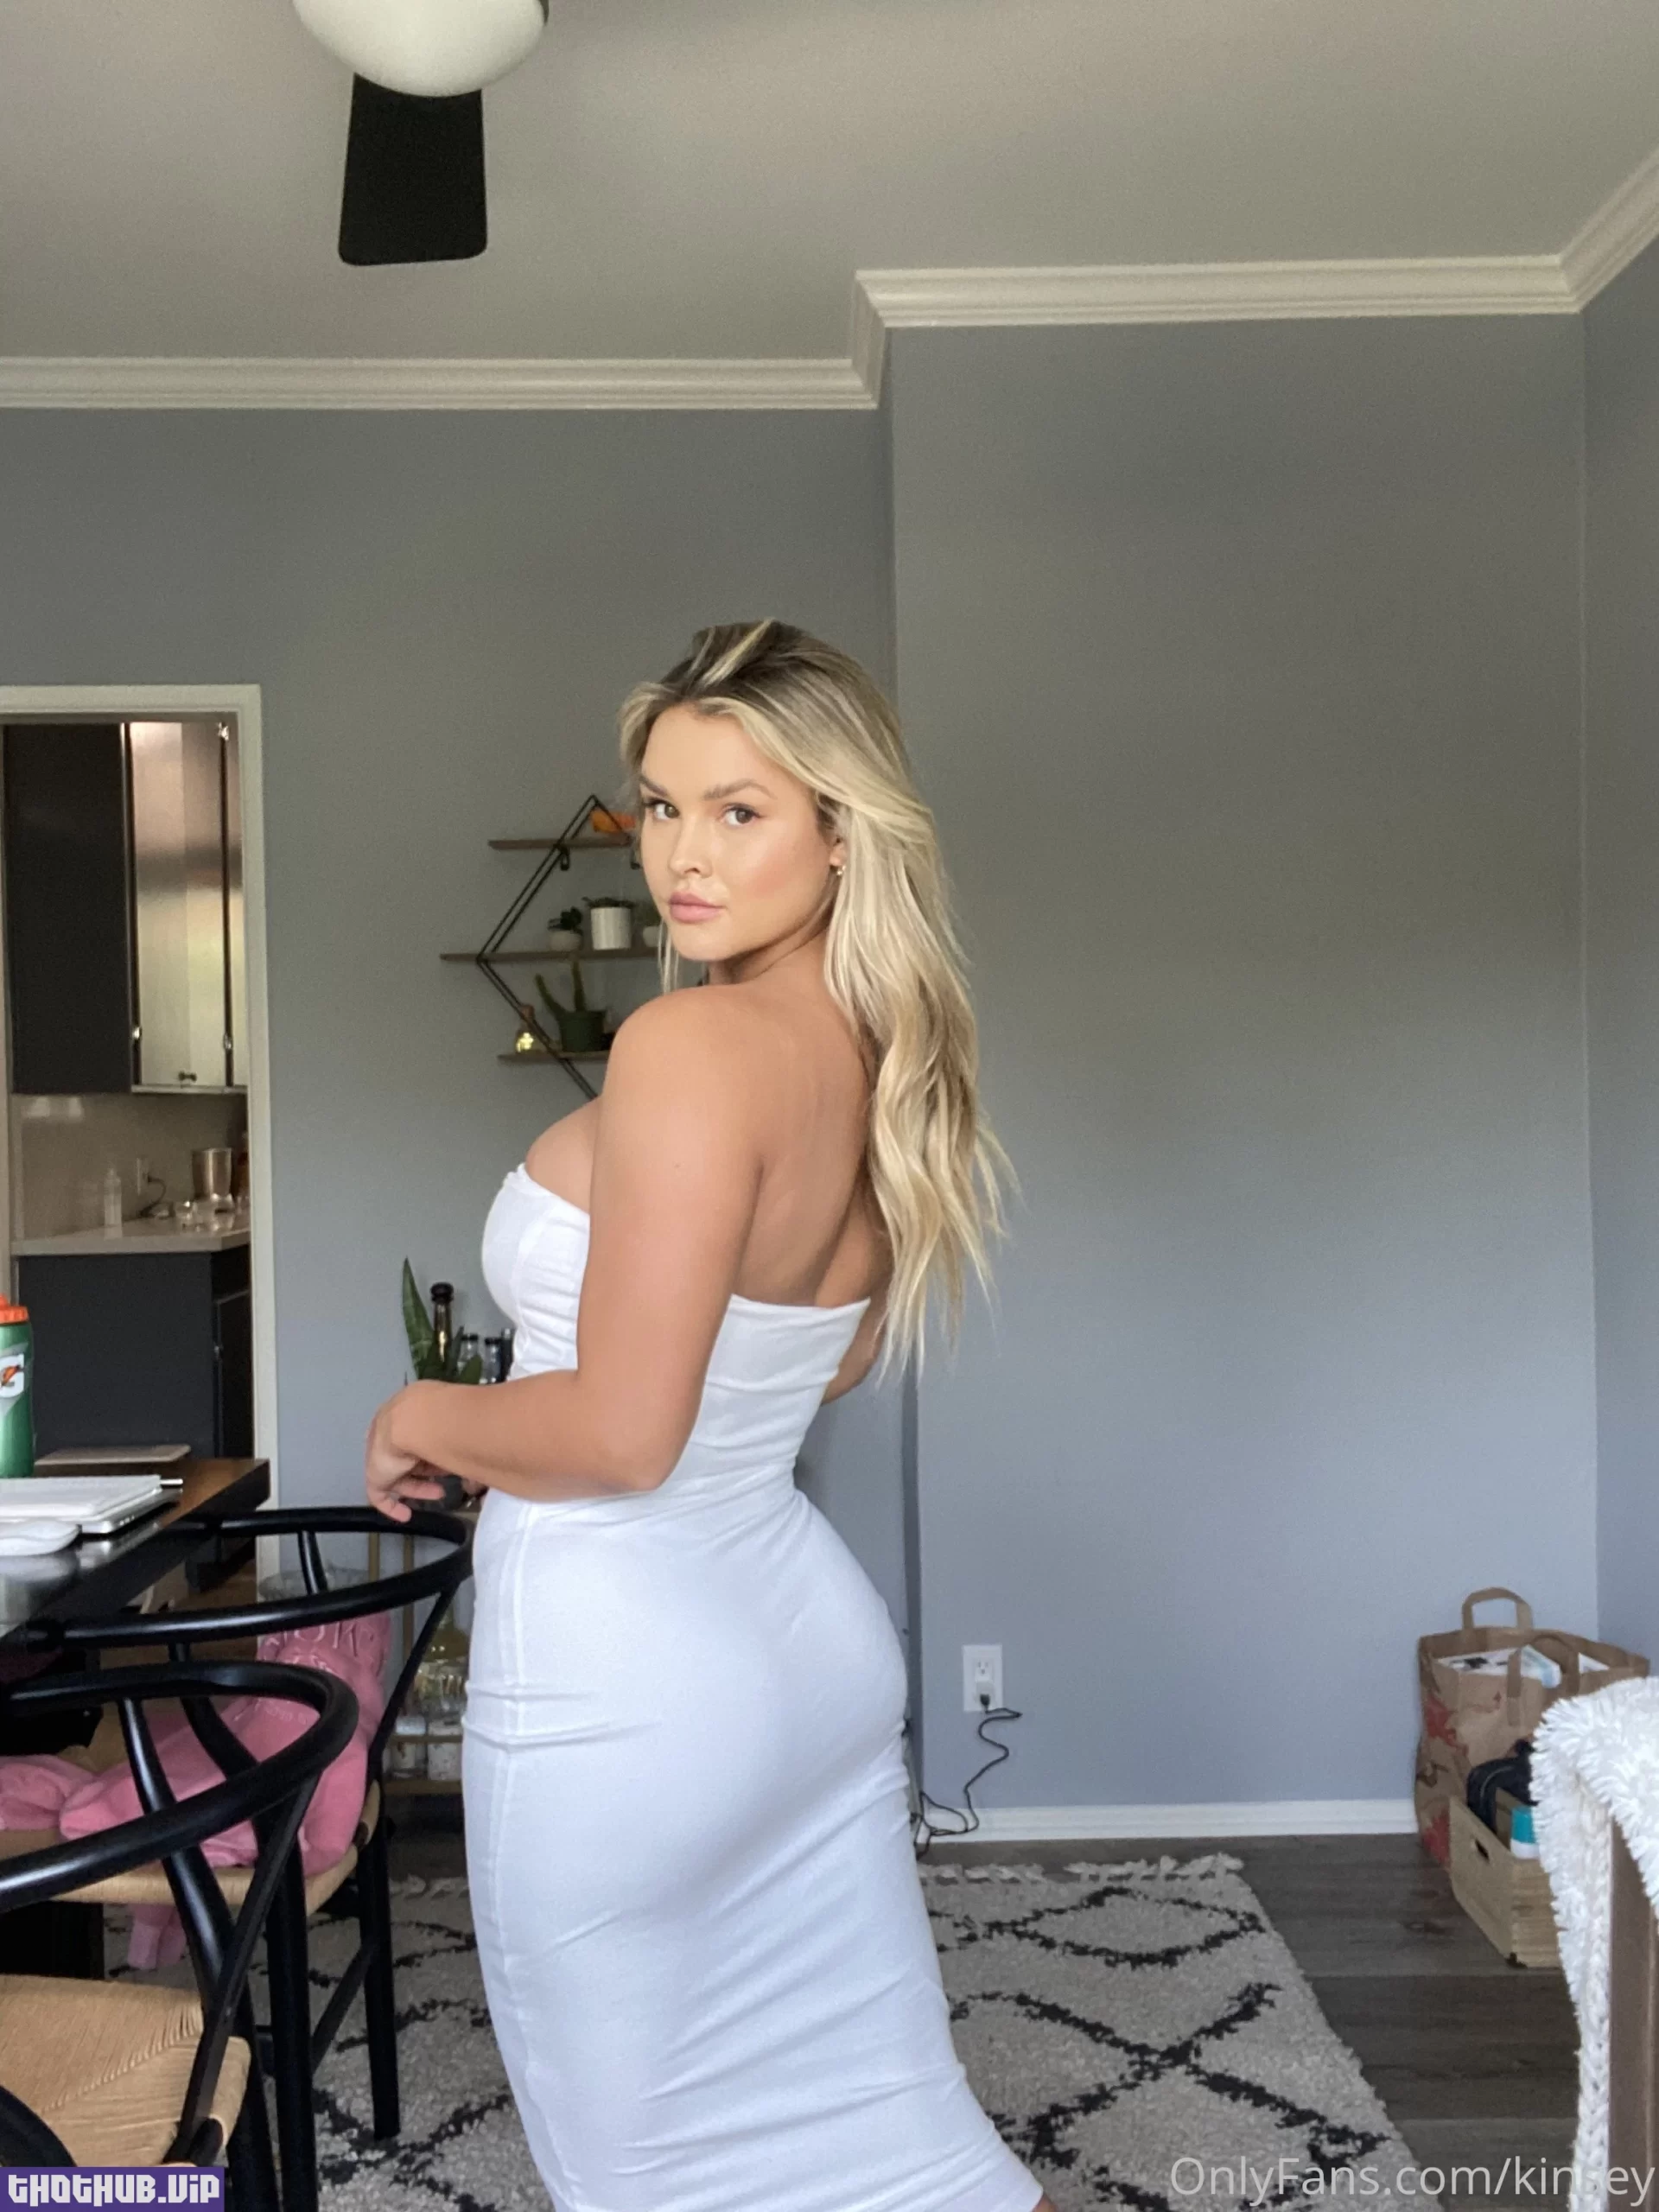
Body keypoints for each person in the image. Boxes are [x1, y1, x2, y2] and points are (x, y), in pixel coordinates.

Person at [365, 619, 1053, 2212]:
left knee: (648, 2175)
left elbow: (623, 1435)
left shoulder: (686, 1045)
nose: (683, 854)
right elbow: (826, 1362)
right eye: (662, 808)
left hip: (629, 1685)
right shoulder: (882, 1053)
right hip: (800, 1659)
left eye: (740, 810)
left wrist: (423, 1411)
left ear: (841, 828)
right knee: (907, 2152)